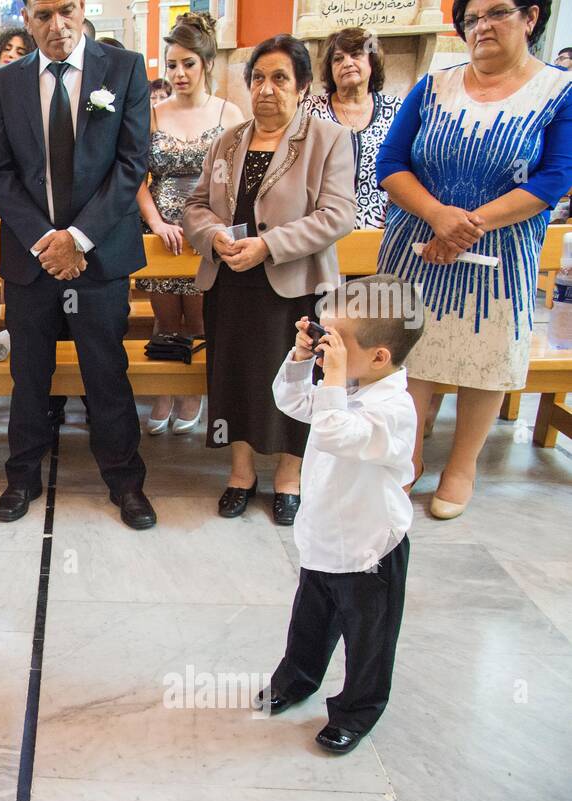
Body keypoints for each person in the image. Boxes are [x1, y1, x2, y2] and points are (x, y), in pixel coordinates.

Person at [376, 0, 572, 519]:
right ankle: (408, 456)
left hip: (501, 253)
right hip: (417, 244)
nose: (481, 26)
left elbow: (554, 178)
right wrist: (439, 216)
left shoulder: (558, 93)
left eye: (496, 13)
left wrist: (467, 227)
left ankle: (462, 466)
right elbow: (390, 162)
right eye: (471, 18)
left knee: (484, 358)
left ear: (531, 17)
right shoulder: (433, 86)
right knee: (409, 353)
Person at [0, 0, 156, 530]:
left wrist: (78, 239)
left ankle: (125, 481)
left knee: (105, 370)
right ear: (27, 20)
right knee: (28, 371)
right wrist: (44, 240)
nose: (55, 26)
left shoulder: (122, 69)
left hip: (99, 255)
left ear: (81, 10)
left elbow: (132, 163)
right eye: (42, 15)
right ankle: (22, 476)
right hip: (32, 258)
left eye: (65, 11)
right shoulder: (6, 80)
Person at [183, 34, 356, 527]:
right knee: (234, 377)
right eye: (258, 78)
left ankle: (288, 478)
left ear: (302, 86)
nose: (266, 88)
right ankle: (240, 474)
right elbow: (196, 205)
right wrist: (213, 235)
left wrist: (269, 245)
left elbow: (338, 215)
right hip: (230, 282)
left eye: (280, 78)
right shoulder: (228, 140)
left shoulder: (328, 138)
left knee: (299, 379)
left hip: (294, 285)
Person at [259, 275, 425, 755]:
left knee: (368, 639)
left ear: (380, 356)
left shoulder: (393, 408)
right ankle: (298, 678)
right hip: (324, 537)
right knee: (309, 622)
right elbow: (290, 401)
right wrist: (300, 359)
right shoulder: (349, 384)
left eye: (336, 341)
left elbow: (335, 433)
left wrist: (331, 379)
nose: (326, 347)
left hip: (371, 548)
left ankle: (357, 710)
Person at [137, 13, 243, 435]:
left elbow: (238, 180)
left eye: (188, 64)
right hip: (161, 233)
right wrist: (156, 222)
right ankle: (163, 389)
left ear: (207, 64)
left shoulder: (229, 112)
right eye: (172, 65)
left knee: (199, 320)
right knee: (164, 320)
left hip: (208, 233)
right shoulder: (153, 113)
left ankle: (192, 392)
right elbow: (136, 180)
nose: (179, 74)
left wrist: (214, 228)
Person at [301, 27, 402, 229]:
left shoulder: (397, 109)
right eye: (338, 59)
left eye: (356, 55)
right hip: (319, 228)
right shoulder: (309, 109)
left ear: (372, 60)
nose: (347, 63)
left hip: (380, 229)